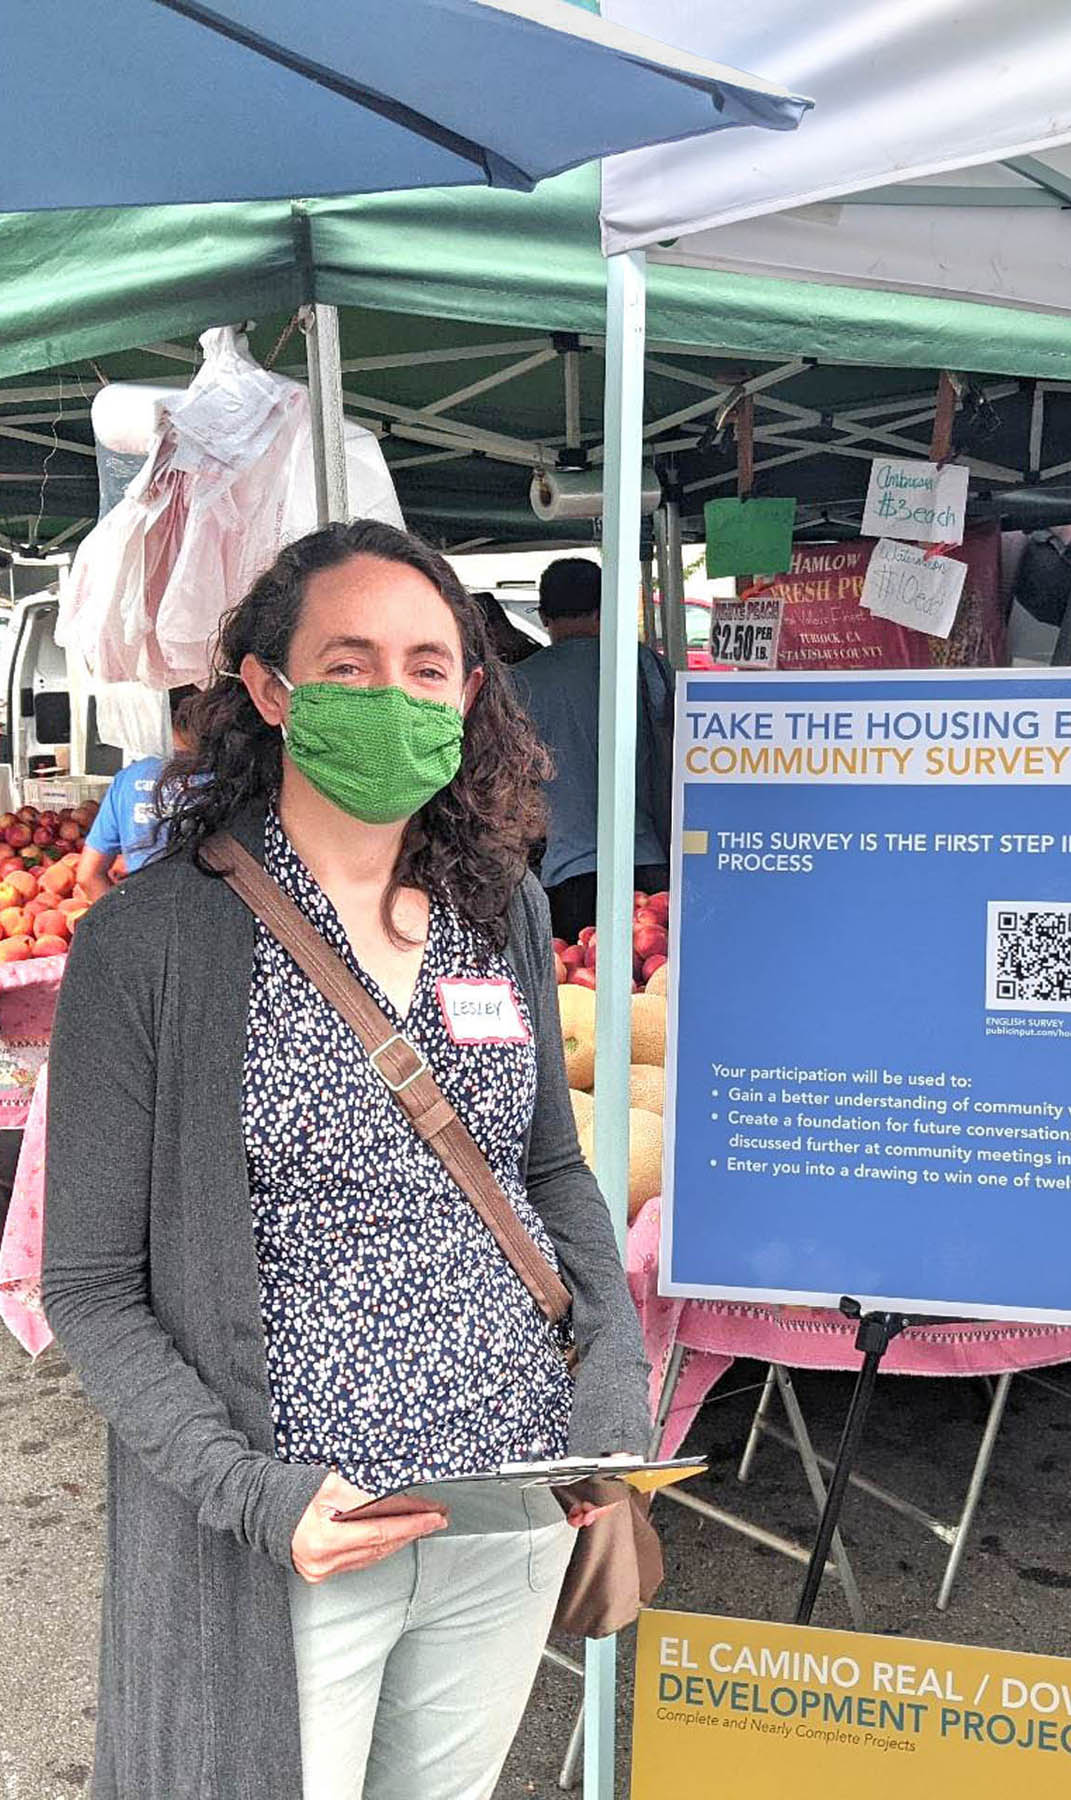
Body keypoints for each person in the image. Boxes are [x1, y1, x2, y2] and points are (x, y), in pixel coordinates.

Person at [41, 520, 651, 1800]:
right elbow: (90, 1286)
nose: (394, 695)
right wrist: (252, 1493)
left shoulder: (501, 906)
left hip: (511, 1496)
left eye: (427, 668)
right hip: (301, 1531)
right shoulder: (150, 942)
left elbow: (548, 1168)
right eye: (349, 664)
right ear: (271, 691)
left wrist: (609, 1402)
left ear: (469, 694)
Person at [512, 558, 675, 943]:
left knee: (577, 975)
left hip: (569, 875)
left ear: (544, 615)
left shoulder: (518, 682)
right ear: (604, 609)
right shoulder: (647, 666)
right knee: (655, 974)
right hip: (650, 863)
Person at [74, 683, 200, 900]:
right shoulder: (227, 778)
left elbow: (88, 876)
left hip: (144, 910)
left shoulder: (128, 779)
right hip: (209, 913)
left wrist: (124, 917)